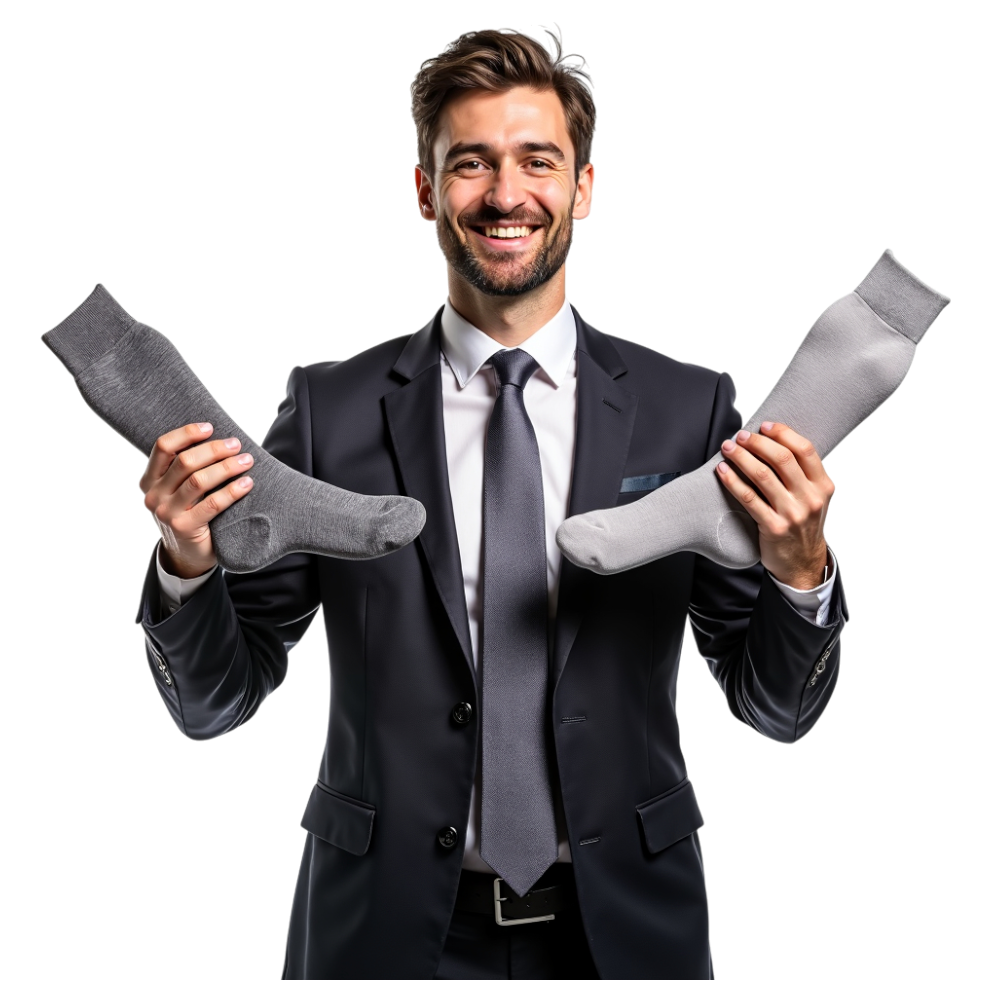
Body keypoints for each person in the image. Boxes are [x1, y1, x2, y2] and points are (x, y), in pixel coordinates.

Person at [134, 26, 847, 979]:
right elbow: (219, 703)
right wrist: (187, 568)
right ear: (427, 192)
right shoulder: (330, 409)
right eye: (470, 164)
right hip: (383, 936)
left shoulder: (691, 409)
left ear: (584, 188)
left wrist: (802, 576)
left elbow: (772, 709)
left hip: (625, 936)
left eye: (537, 161)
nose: (506, 195)